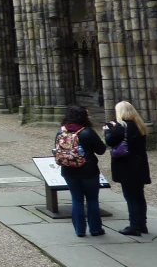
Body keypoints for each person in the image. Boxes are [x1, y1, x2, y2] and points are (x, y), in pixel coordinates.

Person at [57, 105, 107, 237]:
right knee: (92, 199)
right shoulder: (87, 132)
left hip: (68, 170)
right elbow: (101, 150)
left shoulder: (61, 132)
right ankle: (95, 229)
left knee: (76, 200)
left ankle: (79, 230)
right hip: (88, 170)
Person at [103, 101, 151, 236]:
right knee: (139, 195)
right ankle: (142, 224)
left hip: (127, 166)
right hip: (139, 165)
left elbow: (109, 141)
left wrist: (107, 130)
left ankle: (134, 225)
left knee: (130, 197)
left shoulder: (121, 127)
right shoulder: (139, 125)